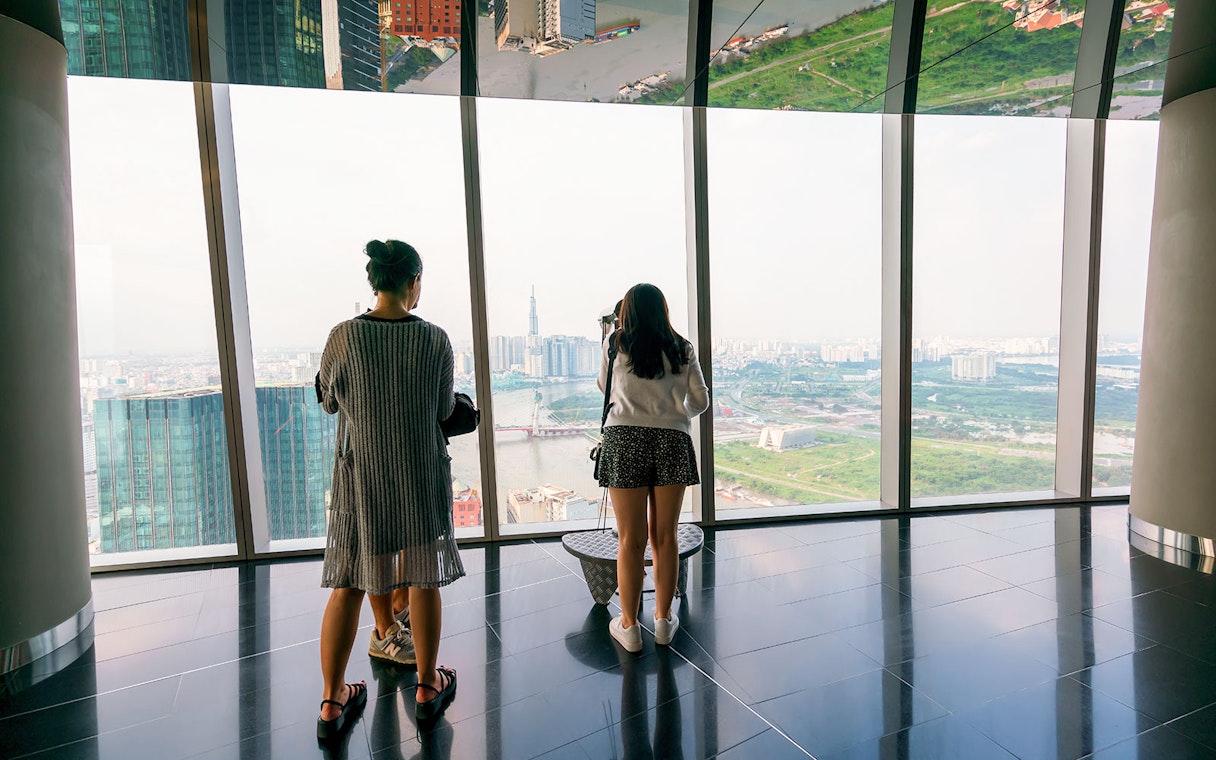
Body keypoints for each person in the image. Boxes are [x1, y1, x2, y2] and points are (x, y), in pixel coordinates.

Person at [315, 239, 463, 741]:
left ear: (373, 281)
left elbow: (329, 403)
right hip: (419, 474)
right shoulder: (435, 340)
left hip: (362, 478)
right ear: (414, 283)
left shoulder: (343, 336)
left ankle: (333, 702)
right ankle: (426, 686)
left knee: (350, 584)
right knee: (423, 578)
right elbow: (444, 411)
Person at [597, 283, 709, 653]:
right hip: (671, 442)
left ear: (626, 311)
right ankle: (662, 621)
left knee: (630, 541)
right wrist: (675, 415)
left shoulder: (615, 343)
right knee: (666, 537)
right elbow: (700, 401)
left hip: (623, 438)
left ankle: (629, 627)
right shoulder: (682, 348)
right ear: (663, 309)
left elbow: (604, 387)